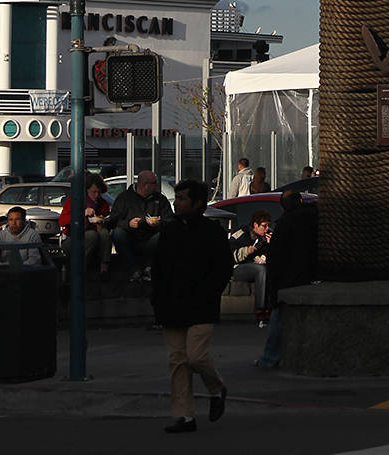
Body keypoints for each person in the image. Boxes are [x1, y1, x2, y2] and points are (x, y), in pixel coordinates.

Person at [151, 177, 232, 435]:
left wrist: (210, 293)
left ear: (197, 203)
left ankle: (217, 388)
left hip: (201, 304)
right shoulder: (170, 230)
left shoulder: (212, 232)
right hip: (171, 304)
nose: (177, 203)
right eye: (176, 198)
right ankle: (184, 416)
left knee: (196, 356)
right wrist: (158, 298)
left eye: (182, 198)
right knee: (178, 361)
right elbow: (159, 267)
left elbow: (223, 268)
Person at [257, 188, 319, 369]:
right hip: (313, 275)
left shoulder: (285, 224)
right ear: (300, 200)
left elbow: (276, 257)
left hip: (289, 279)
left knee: (278, 320)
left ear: (283, 207)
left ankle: (270, 358)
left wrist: (273, 287)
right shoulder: (315, 218)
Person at [109, 171, 173, 282]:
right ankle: (134, 269)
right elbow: (112, 221)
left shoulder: (160, 199)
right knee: (117, 233)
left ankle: (148, 267)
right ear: (145, 185)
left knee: (164, 235)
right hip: (130, 237)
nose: (156, 185)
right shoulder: (124, 198)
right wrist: (128, 224)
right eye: (154, 183)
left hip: (151, 238)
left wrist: (158, 223)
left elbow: (170, 221)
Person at [60, 173, 112, 273]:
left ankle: (104, 267)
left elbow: (105, 225)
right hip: (73, 238)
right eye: (93, 192)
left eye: (99, 192)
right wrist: (82, 214)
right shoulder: (75, 201)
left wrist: (102, 223)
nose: (96, 195)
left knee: (104, 233)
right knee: (92, 235)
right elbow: (62, 221)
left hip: (95, 238)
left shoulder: (103, 204)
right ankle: (78, 268)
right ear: (86, 190)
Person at [229, 211, 273, 323]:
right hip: (238, 267)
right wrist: (246, 251)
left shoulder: (268, 235)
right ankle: (261, 308)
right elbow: (229, 255)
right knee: (261, 270)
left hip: (258, 267)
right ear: (255, 225)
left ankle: (271, 307)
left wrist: (272, 245)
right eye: (264, 226)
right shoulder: (241, 234)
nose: (267, 229)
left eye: (268, 225)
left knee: (264, 270)